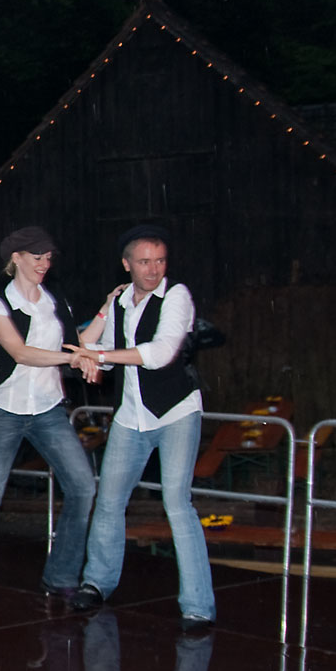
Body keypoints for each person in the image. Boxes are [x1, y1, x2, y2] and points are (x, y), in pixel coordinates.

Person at [68, 224, 215, 633]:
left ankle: (198, 606)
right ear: (126, 264)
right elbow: (90, 346)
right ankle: (96, 583)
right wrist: (103, 316)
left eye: (160, 261)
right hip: (130, 417)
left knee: (177, 503)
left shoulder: (177, 296)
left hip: (175, 413)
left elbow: (161, 352)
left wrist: (101, 356)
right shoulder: (119, 302)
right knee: (109, 500)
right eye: (145, 261)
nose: (154, 269)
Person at [0, 227, 99, 602]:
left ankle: (61, 575)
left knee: (83, 487)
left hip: (49, 409)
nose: (44, 263)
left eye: (48, 257)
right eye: (37, 257)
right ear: (16, 258)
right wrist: (71, 359)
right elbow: (20, 352)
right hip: (5, 410)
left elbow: (77, 343)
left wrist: (105, 312)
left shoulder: (55, 302)